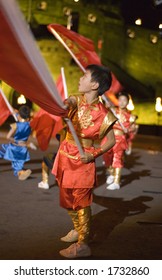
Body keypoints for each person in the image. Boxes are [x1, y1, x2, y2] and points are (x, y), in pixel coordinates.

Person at [52, 64, 117, 258]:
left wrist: (94, 154)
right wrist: (64, 106)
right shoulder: (76, 100)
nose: (80, 79)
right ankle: (77, 228)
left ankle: (83, 243)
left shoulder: (105, 114)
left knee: (81, 201)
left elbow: (111, 140)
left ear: (95, 84)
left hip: (83, 159)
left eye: (84, 76)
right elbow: (67, 102)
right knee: (67, 199)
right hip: (65, 155)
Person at [103, 92, 137, 190]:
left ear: (127, 102)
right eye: (120, 100)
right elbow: (104, 113)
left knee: (117, 159)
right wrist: (107, 106)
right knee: (107, 157)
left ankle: (116, 181)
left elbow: (133, 128)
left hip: (120, 139)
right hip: (109, 138)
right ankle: (111, 173)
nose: (122, 102)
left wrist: (129, 129)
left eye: (124, 100)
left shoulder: (130, 117)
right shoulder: (113, 110)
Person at [0, 105, 32, 180]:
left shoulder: (15, 125)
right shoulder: (29, 124)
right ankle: (20, 172)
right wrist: (17, 113)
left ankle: (21, 172)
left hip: (13, 147)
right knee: (18, 164)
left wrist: (15, 140)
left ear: (20, 116)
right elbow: (22, 118)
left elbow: (8, 137)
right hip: (23, 149)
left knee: (1, 150)